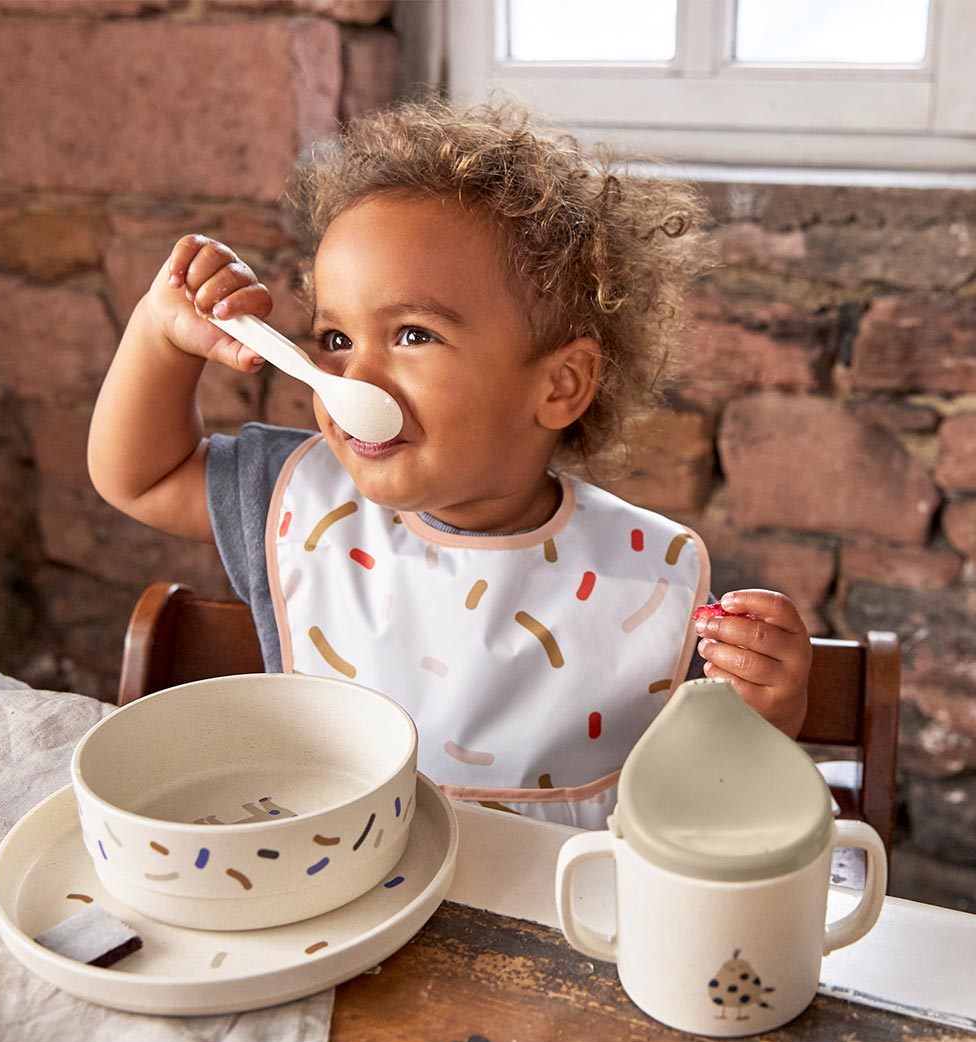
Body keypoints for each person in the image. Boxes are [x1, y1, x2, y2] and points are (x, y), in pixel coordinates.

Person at [88, 98, 811, 828]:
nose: (352, 379)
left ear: (559, 386)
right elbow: (140, 476)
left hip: (554, 928)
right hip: (340, 907)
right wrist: (160, 333)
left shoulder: (647, 581)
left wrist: (767, 712)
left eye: (411, 334)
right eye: (335, 338)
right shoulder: (300, 499)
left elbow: (714, 801)